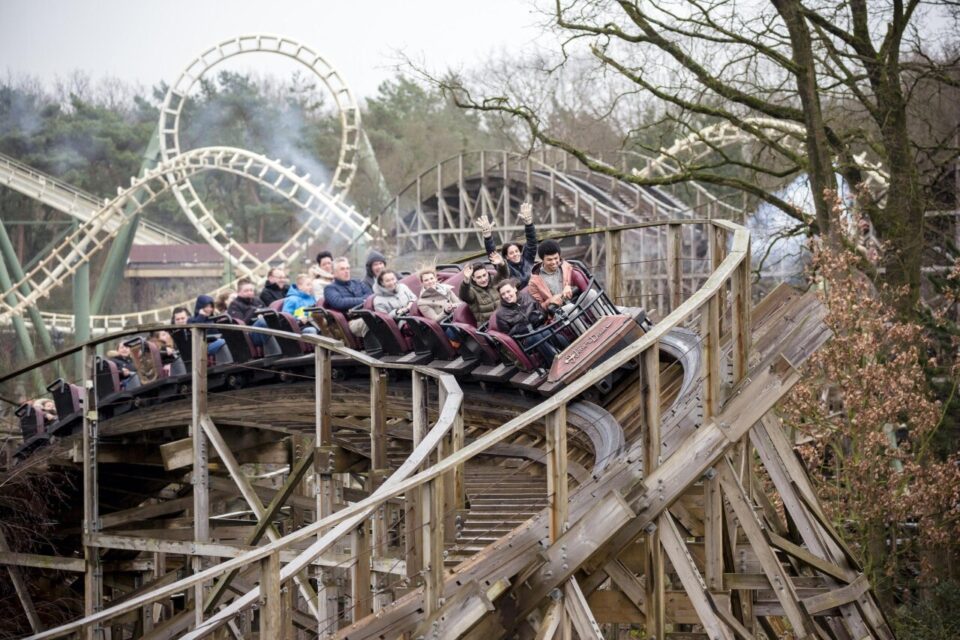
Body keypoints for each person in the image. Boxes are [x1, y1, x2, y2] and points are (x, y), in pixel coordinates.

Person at [494, 279, 566, 365]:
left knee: (547, 332)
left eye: (508, 291)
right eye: (503, 294)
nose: (506, 295)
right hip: (525, 339)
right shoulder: (500, 314)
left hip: (540, 328)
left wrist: (537, 316)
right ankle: (555, 363)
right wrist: (519, 328)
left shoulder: (526, 296)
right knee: (537, 336)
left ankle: (570, 350)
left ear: (515, 289)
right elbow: (508, 336)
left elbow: (542, 312)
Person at [475, 202, 538, 288]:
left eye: (516, 251)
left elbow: (532, 242)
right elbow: (493, 254)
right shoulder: (505, 267)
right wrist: (488, 237)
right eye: (511, 253)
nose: (515, 254)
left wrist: (529, 224)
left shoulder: (527, 260)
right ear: (507, 257)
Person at [324, 257, 373, 337]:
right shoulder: (330, 288)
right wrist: (363, 300)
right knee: (371, 322)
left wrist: (362, 300)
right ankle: (374, 349)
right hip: (349, 322)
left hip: (367, 315)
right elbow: (339, 303)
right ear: (334, 273)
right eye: (342, 269)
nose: (346, 271)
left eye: (348, 268)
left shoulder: (358, 282)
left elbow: (370, 296)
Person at [458, 252, 508, 325]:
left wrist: (501, 263)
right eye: (479, 277)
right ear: (473, 278)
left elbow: (503, 275)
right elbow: (464, 295)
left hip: (505, 317)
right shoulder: (472, 291)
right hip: (489, 326)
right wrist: (466, 280)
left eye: (484, 275)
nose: (483, 279)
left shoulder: (493, 281)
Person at [418, 268, 462, 344]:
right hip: (445, 324)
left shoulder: (446, 289)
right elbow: (435, 320)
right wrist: (445, 311)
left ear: (435, 278)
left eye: (431, 278)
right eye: (426, 280)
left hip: (456, 316)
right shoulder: (422, 302)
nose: (430, 282)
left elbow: (459, 303)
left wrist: (454, 306)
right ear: (422, 283)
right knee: (456, 330)